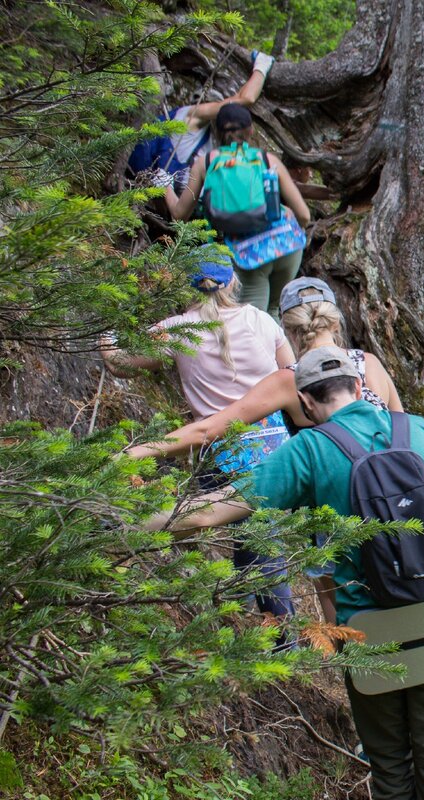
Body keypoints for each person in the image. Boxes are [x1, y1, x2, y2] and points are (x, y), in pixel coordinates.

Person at [149, 347, 424, 800]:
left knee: (392, 773)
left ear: (306, 403)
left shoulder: (310, 449)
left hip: (369, 635)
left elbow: (207, 515)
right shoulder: (421, 431)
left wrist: (123, 515)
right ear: (359, 388)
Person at [123, 276, 404, 623]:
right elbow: (404, 436)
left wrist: (140, 451)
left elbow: (211, 429)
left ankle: (346, 662)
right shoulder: (370, 364)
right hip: (397, 503)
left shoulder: (292, 380)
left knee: (341, 606)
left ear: (287, 326)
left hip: (335, 502)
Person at [101, 251, 297, 621]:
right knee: (256, 533)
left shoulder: (179, 328)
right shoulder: (260, 320)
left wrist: (103, 333)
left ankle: (115, 539)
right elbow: (292, 373)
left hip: (218, 448)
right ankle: (248, 616)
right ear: (233, 282)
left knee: (245, 534)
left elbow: (120, 363)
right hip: (275, 449)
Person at [165, 103, 311, 318]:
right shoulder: (266, 159)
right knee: (274, 314)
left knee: (252, 319)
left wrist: (165, 185)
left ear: (216, 131)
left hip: (248, 254)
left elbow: (179, 214)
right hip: (287, 246)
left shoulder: (206, 163)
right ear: (251, 131)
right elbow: (305, 215)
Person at [130, 52, 277, 191]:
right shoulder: (192, 117)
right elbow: (246, 99)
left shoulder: (207, 134)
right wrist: (261, 66)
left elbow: (239, 98)